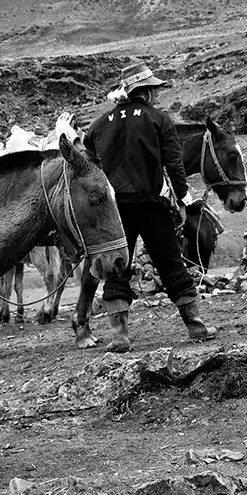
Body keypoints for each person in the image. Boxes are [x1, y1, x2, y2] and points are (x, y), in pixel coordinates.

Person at [84, 61, 217, 352]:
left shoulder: (98, 125)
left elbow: (88, 155)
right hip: (154, 205)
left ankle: (120, 335)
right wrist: (181, 199)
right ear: (145, 92)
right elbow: (175, 164)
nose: (156, 95)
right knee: (170, 262)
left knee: (116, 267)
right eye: (153, 89)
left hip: (116, 210)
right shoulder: (159, 119)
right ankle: (195, 325)